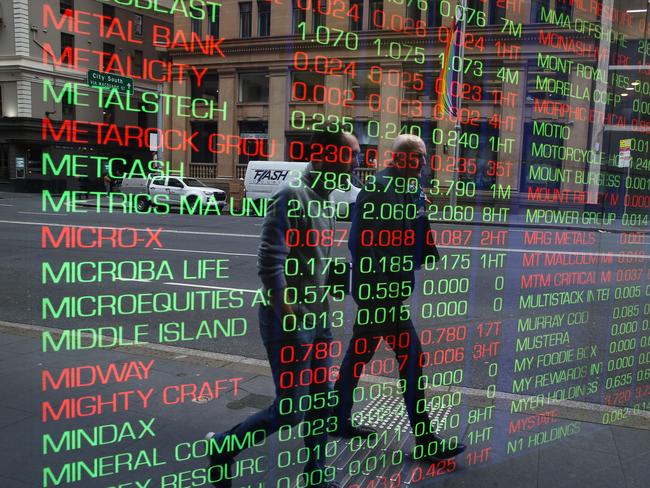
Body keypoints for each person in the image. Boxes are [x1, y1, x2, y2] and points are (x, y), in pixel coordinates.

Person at [206, 126, 355, 488]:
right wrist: (290, 320)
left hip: (319, 319)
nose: (356, 165)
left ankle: (315, 472)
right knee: (291, 412)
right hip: (288, 320)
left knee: (321, 399)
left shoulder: (325, 201)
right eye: (351, 156)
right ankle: (224, 447)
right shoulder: (292, 196)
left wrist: (332, 273)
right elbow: (270, 266)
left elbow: (308, 260)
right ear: (326, 156)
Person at [332, 134, 466, 461]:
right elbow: (359, 244)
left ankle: (336, 418)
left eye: (423, 157)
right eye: (419, 157)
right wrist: (382, 290)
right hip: (380, 294)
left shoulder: (409, 189)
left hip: (387, 291)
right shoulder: (378, 188)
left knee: (358, 356)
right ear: (401, 158)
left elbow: (411, 231)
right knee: (411, 359)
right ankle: (425, 440)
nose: (423, 163)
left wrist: (423, 235)